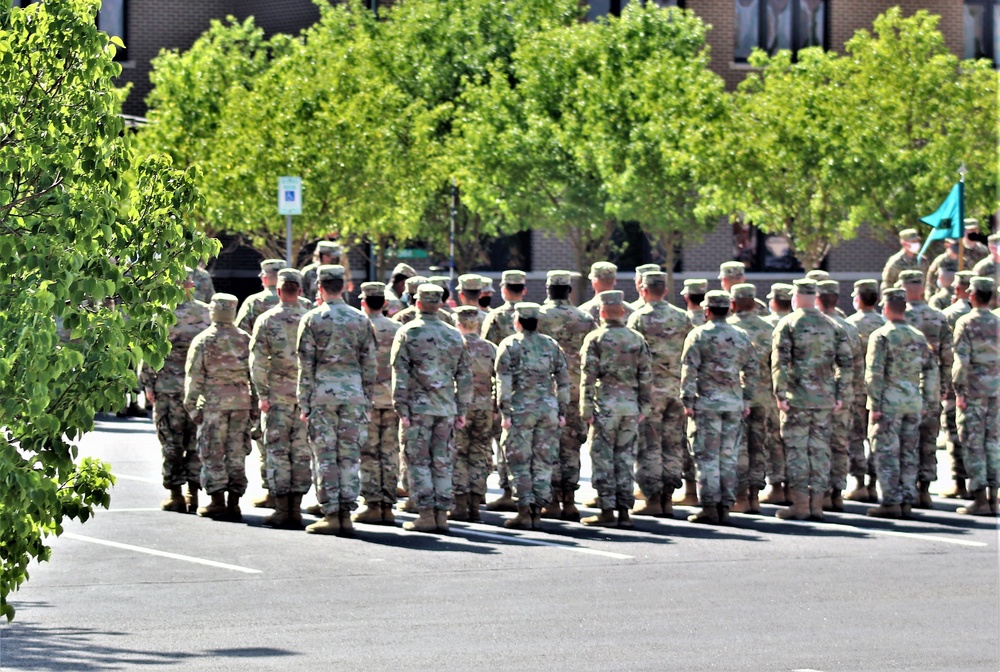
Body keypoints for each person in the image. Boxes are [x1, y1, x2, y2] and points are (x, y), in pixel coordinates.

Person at [296, 265, 376, 536]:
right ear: (344, 286)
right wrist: (367, 399)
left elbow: (305, 365)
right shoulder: (361, 319)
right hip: (353, 395)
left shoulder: (312, 319)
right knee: (350, 455)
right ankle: (346, 513)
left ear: (319, 287)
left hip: (322, 396)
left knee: (326, 455)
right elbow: (370, 364)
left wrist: (304, 403)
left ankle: (331, 512)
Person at [391, 284, 472, 533]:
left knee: (417, 460)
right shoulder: (453, 334)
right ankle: (441, 515)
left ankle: (426, 514)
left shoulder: (408, 332)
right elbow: (465, 374)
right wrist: (461, 409)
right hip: (446, 408)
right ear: (439, 304)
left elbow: (400, 372)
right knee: (442, 460)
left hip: (417, 409)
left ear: (417, 303)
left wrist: (400, 406)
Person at [771, 279, 852, 521]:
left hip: (797, 400)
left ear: (796, 298)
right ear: (815, 298)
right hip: (825, 400)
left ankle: (800, 505)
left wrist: (780, 394)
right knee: (819, 452)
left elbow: (780, 363)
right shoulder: (832, 324)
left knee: (797, 452)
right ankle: (817, 504)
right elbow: (846, 364)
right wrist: (839, 393)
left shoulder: (788, 323)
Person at [681, 290, 757, 524]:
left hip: (706, 404)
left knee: (707, 456)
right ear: (728, 309)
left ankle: (710, 506)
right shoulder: (741, 335)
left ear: (707, 310)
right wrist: (747, 399)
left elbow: (689, 370)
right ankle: (726, 504)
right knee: (728, 456)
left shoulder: (699, 335)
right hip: (733, 404)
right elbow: (752, 369)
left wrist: (687, 400)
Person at [579, 291, 652, 528]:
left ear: (601, 312)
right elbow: (646, 376)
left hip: (606, 406)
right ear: (622, 312)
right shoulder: (636, 339)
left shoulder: (596, 339)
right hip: (630, 406)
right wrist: (644, 405)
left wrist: (586, 409)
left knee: (603, 459)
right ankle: (624, 511)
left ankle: (607, 509)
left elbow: (588, 378)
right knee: (625, 459)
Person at [140, 268, 210, 514]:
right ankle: (194, 492)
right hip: (198, 390)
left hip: (168, 389)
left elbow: (149, 354)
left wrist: (148, 384)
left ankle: (175, 495)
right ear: (191, 285)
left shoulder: (160, 314)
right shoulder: (205, 312)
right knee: (195, 442)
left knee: (171, 442)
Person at [495, 302, 570, 529]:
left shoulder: (509, 344)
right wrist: (562, 410)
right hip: (547, 410)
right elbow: (564, 380)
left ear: (517, 321)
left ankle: (524, 511)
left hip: (521, 409)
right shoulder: (551, 344)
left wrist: (504, 412)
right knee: (543, 461)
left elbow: (503, 383)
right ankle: (538, 510)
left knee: (519, 461)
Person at [865, 288, 938, 519]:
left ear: (886, 308)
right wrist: (926, 399)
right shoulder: (917, 336)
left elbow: (874, 374)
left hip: (888, 404)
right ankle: (907, 499)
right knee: (908, 453)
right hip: (912, 403)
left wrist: (874, 404)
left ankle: (891, 501)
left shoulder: (881, 335)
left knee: (887, 453)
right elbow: (931, 370)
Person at [249, 269, 310, 529]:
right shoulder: (311, 319)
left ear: (278, 291)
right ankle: (296, 509)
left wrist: (262, 394)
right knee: (301, 453)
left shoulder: (266, 320)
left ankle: (282, 508)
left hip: (276, 398)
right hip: (306, 398)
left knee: (277, 453)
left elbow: (258, 362)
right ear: (300, 291)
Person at [184, 293, 254, 522]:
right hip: (241, 403)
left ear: (214, 310)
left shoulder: (204, 340)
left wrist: (192, 407)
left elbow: (195, 376)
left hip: (214, 404)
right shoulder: (245, 339)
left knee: (212, 452)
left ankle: (217, 501)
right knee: (236, 452)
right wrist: (253, 407)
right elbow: (256, 374)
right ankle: (234, 502)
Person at [628, 271, 691, 518]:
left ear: (643, 290)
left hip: (650, 393)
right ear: (665, 290)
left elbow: (634, 357)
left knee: (649, 446)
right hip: (676, 391)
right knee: (673, 445)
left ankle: (653, 499)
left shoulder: (638, 318)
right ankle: (668, 498)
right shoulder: (683, 318)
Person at [537, 270, 597, 520]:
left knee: (546, 447)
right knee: (571, 448)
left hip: (544, 393)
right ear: (569, 291)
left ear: (548, 290)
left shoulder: (538, 317)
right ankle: (570, 502)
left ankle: (550, 501)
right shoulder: (584, 317)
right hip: (574, 392)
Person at [899, 269, 952, 508]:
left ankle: (906, 489)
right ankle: (925, 490)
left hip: (904, 387)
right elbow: (948, 356)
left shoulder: (898, 317)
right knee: (929, 439)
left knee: (906, 441)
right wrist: (945, 385)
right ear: (922, 289)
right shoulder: (938, 317)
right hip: (932, 385)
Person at [353, 282, 403, 526]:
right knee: (390, 453)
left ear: (363, 302)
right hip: (393, 399)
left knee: (370, 453)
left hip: (367, 400)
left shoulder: (359, 326)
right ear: (385, 303)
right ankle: (388, 505)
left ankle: (373, 504)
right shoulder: (398, 329)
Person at [953, 277, 1000, 516]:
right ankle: (995, 497)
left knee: (974, 444)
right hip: (996, 390)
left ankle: (980, 498)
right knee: (993, 443)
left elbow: (961, 360)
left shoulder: (966, 322)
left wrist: (959, 391)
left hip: (974, 390)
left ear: (972, 296)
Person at [726, 283, 774, 515]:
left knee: (740, 448)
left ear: (732, 304)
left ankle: (741, 497)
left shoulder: (730, 329)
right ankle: (755, 496)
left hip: (738, 398)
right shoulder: (769, 328)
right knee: (759, 447)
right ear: (755, 304)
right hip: (764, 397)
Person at [817, 280, 864, 513]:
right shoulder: (850, 328)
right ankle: (837, 493)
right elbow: (857, 367)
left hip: (821, 396)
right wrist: (852, 393)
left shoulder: (818, 327)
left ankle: (824, 492)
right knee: (840, 445)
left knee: (822, 445)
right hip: (845, 397)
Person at [451, 306, 497, 523]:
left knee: (459, 454)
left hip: (459, 407)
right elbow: (500, 378)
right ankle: (476, 504)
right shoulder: (490, 348)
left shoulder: (453, 346)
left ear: (457, 323)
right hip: (484, 408)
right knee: (479, 453)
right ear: (477, 323)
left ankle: (460, 503)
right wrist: (496, 405)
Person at [844, 279, 885, 502]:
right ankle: (872, 483)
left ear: (858, 298)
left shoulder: (850, 325)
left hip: (856, 389)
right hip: (880, 391)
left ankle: (859, 483)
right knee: (876, 438)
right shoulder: (884, 324)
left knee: (856, 437)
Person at [940, 271, 977, 499]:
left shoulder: (949, 315)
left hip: (958, 385)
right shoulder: (993, 317)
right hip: (987, 387)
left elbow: (946, 355)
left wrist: (946, 385)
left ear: (958, 289)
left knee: (956, 434)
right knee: (985, 437)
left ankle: (960, 484)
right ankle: (982, 485)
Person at [759, 283, 794, 505]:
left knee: (772, 440)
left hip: (767, 391)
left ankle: (776, 486)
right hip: (796, 392)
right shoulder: (796, 324)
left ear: (773, 302)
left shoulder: (766, 325)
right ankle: (793, 487)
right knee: (790, 440)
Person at [676, 278, 708, 505]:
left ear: (687, 298)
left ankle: (690, 492)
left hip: (688, 390)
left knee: (688, 444)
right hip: (716, 393)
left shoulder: (683, 321)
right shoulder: (710, 322)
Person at [482, 270, 527, 345]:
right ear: (524, 290)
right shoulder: (534, 313)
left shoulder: (495, 315)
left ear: (504, 290)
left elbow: (486, 346)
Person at [881, 228, 928, 292]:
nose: (916, 244)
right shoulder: (895, 262)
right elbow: (887, 283)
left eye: (917, 241)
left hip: (919, 299)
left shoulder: (922, 260)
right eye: (913, 241)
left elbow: (927, 282)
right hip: (901, 298)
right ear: (904, 243)